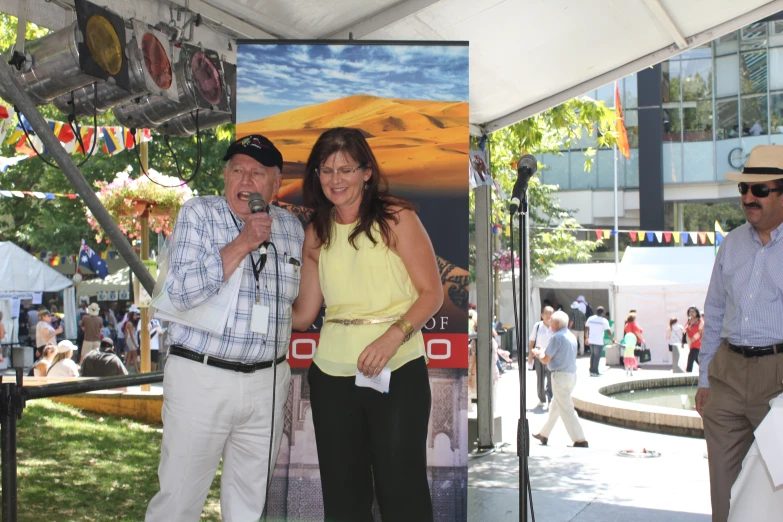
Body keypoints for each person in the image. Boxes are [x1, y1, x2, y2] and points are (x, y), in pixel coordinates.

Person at [146, 134, 302, 521]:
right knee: (178, 501)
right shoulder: (199, 213)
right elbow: (179, 293)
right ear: (224, 175)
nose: (245, 181)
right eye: (237, 171)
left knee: (249, 506)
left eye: (256, 173)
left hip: (267, 380)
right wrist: (243, 242)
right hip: (202, 375)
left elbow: (297, 304)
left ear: (275, 182)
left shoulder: (291, 229)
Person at [292, 127, 442, 521]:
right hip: (330, 376)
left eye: (345, 169)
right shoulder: (315, 232)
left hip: (398, 370)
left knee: (402, 493)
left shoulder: (397, 217)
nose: (335, 180)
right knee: (343, 500)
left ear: (367, 172)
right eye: (325, 170)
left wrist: (392, 338)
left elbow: (431, 294)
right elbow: (305, 315)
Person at [695, 145, 783, 522]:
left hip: (778, 377)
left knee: (775, 488)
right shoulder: (730, 244)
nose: (749, 197)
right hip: (727, 374)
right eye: (744, 189)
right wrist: (704, 378)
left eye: (759, 190)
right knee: (724, 492)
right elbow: (713, 312)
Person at [531, 310, 588, 448]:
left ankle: (580, 439)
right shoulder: (570, 336)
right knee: (556, 407)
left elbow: (546, 359)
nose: (549, 323)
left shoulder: (556, 337)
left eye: (551, 321)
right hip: (571, 375)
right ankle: (544, 434)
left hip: (560, 376)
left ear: (556, 324)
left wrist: (538, 354)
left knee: (566, 409)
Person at [528, 306, 554, 408]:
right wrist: (530, 354)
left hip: (551, 356)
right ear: (542, 315)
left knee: (551, 377)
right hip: (539, 356)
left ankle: (550, 397)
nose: (549, 316)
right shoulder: (538, 326)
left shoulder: (554, 326)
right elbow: (532, 340)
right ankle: (541, 398)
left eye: (551, 313)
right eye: (546, 313)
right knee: (540, 377)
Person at [585, 306, 612, 376]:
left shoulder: (590, 319)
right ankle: (595, 371)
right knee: (597, 356)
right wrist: (612, 338)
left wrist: (586, 338)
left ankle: (591, 370)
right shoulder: (604, 321)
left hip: (591, 340)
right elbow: (608, 331)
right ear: (603, 313)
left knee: (593, 355)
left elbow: (586, 328)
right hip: (599, 341)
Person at [684, 306, 704, 373]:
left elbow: (701, 332)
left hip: (697, 342)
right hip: (691, 343)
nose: (691, 313)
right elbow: (685, 330)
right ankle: (705, 370)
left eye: (693, 311)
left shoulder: (700, 321)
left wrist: (693, 339)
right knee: (696, 358)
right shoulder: (689, 321)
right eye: (690, 311)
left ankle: (688, 372)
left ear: (696, 313)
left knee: (691, 357)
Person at [123, 306, 140, 373]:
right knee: (134, 356)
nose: (136, 316)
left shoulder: (132, 323)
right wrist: (135, 344)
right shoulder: (129, 323)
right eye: (135, 315)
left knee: (130, 356)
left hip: (132, 340)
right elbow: (131, 335)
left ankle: (126, 370)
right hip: (131, 340)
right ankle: (137, 371)